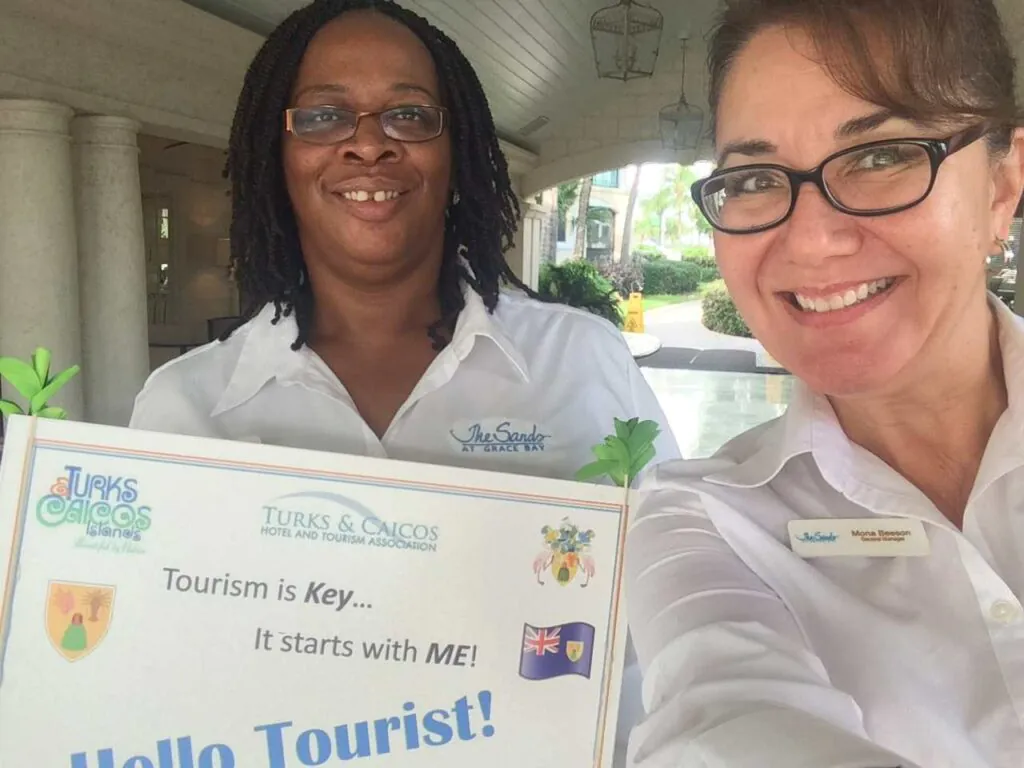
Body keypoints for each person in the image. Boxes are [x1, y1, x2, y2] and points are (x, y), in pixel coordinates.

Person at [128, 0, 678, 761]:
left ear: (456, 154)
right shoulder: (186, 407)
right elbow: (155, 662)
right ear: (277, 156)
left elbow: (679, 614)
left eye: (409, 115)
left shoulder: (584, 364)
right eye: (324, 116)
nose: (367, 143)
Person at [625, 1, 1024, 767]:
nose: (810, 241)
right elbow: (722, 722)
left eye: (879, 156)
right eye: (754, 178)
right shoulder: (708, 521)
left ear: (1001, 188)